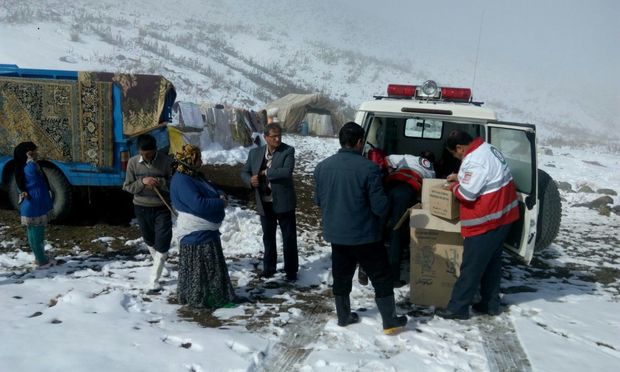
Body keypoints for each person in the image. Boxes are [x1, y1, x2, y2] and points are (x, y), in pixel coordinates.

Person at [314, 122, 407, 335]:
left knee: (342, 275)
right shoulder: (370, 168)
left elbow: (318, 200)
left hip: (337, 235)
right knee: (381, 276)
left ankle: (343, 316)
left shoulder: (322, 167)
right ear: (359, 142)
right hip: (365, 236)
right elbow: (380, 207)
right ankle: (390, 321)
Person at [437, 130, 519, 320]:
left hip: (486, 221)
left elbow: (467, 195)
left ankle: (457, 308)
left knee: (471, 267)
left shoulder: (474, 160)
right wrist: (460, 176)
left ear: (459, 148)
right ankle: (490, 304)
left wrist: (454, 187)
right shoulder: (487, 148)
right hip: (504, 217)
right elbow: (484, 177)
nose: (455, 157)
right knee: (491, 264)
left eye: (454, 153)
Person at [170, 144, 236, 308]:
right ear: (189, 160)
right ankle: (200, 298)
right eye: (198, 158)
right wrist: (220, 202)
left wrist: (220, 192)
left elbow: (211, 187)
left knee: (211, 269)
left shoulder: (194, 175)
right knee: (202, 270)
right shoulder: (182, 180)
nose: (201, 161)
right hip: (196, 236)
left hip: (206, 234)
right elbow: (198, 204)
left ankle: (215, 296)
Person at [241, 122, 298, 281]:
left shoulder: (288, 150)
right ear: (266, 137)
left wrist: (266, 172)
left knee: (289, 238)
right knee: (268, 237)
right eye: (274, 136)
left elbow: (286, 172)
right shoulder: (255, 153)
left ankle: (291, 271)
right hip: (265, 202)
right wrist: (250, 181)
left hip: (284, 202)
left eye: (279, 135)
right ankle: (269, 268)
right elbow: (244, 172)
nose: (278, 139)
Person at [122, 134, 173, 290]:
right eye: (143, 154)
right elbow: (127, 186)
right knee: (149, 240)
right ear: (139, 151)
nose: (146, 157)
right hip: (141, 207)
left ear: (155, 150)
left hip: (161, 207)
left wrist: (160, 183)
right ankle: (160, 264)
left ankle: (154, 280)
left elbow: (174, 184)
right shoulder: (132, 162)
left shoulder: (166, 161)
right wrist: (142, 182)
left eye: (149, 154)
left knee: (163, 241)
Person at [383, 151, 436, 286]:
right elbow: (431, 189)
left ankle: (367, 269)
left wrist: (389, 170)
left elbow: (386, 159)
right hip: (405, 192)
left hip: (389, 187)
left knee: (378, 226)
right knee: (397, 231)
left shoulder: (408, 157)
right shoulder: (430, 167)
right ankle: (394, 278)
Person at [13, 142, 56, 269]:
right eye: (34, 151)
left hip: (33, 202)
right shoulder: (29, 166)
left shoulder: (22, 166)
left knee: (33, 231)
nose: (37, 153)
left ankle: (39, 257)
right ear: (28, 153)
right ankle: (42, 260)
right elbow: (35, 174)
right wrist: (31, 159)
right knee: (37, 233)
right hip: (36, 202)